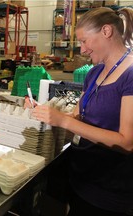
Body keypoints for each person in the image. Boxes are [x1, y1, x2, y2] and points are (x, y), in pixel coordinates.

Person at [26, 7, 133, 216]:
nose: (82, 50)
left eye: (84, 41)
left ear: (106, 31)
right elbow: (78, 117)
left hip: (110, 192)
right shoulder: (94, 73)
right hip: (81, 179)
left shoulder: (130, 75)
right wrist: (45, 113)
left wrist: (64, 121)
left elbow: (127, 142)